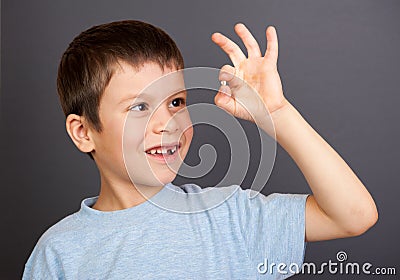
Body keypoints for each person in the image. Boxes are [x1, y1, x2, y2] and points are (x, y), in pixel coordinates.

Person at [22, 20, 378, 279]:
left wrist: (277, 114)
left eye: (176, 102)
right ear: (83, 132)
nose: (168, 123)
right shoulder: (60, 253)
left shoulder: (230, 216)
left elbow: (353, 215)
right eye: (139, 107)